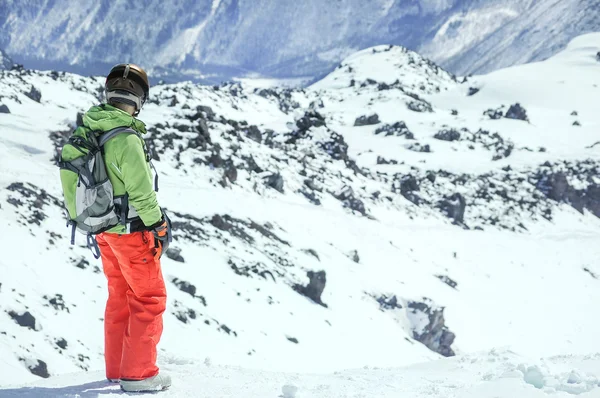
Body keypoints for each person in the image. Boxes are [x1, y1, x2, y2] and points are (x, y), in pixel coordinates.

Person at [65, 64, 171, 392]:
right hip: (132, 233)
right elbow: (141, 193)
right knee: (149, 298)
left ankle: (117, 369)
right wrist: (160, 226)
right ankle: (138, 376)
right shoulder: (126, 138)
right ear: (139, 100)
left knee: (120, 296)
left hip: (105, 231)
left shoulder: (91, 128)